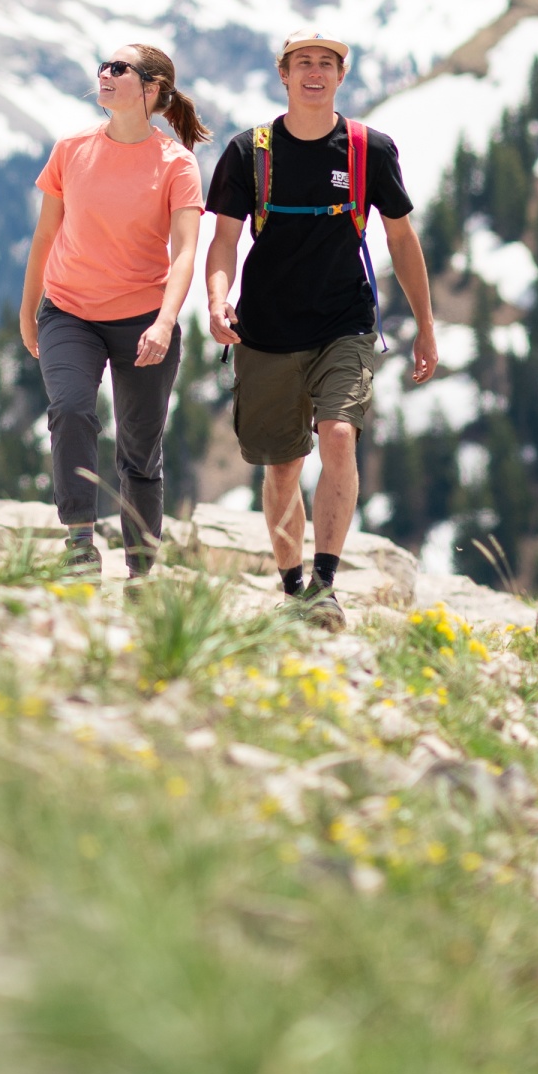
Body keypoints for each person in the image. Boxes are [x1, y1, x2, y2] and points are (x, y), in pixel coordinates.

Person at [203, 32, 438, 630]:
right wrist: (216, 299)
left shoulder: (368, 151)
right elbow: (224, 240)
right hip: (266, 328)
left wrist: (426, 327)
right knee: (282, 467)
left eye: (326, 64)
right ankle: (292, 588)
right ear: (283, 75)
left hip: (346, 324)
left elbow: (402, 240)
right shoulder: (247, 152)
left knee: (338, 436)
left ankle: (325, 584)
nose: (315, 72)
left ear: (341, 76)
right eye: (303, 63)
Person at [19, 42, 208, 580]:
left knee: (139, 453)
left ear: (151, 90)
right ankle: (80, 542)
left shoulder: (177, 163)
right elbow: (45, 234)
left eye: (119, 68)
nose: (104, 73)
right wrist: (28, 308)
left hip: (145, 319)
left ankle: (142, 573)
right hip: (69, 311)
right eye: (103, 64)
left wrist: (166, 322)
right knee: (72, 409)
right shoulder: (70, 149)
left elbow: (186, 251)